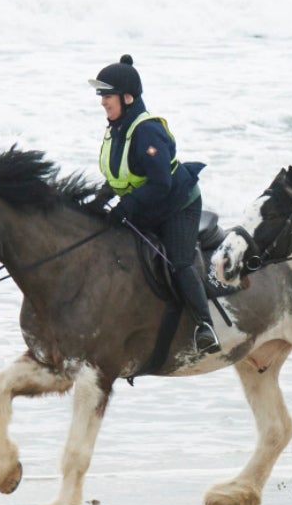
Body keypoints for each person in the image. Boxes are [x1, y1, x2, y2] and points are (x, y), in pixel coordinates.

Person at [91, 54, 218, 354]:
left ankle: (205, 326)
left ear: (127, 97)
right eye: (101, 97)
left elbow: (161, 183)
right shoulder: (117, 129)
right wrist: (99, 201)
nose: (103, 103)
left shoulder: (146, 131)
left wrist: (127, 206)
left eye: (107, 96)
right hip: (148, 205)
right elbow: (120, 176)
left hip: (178, 205)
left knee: (180, 262)